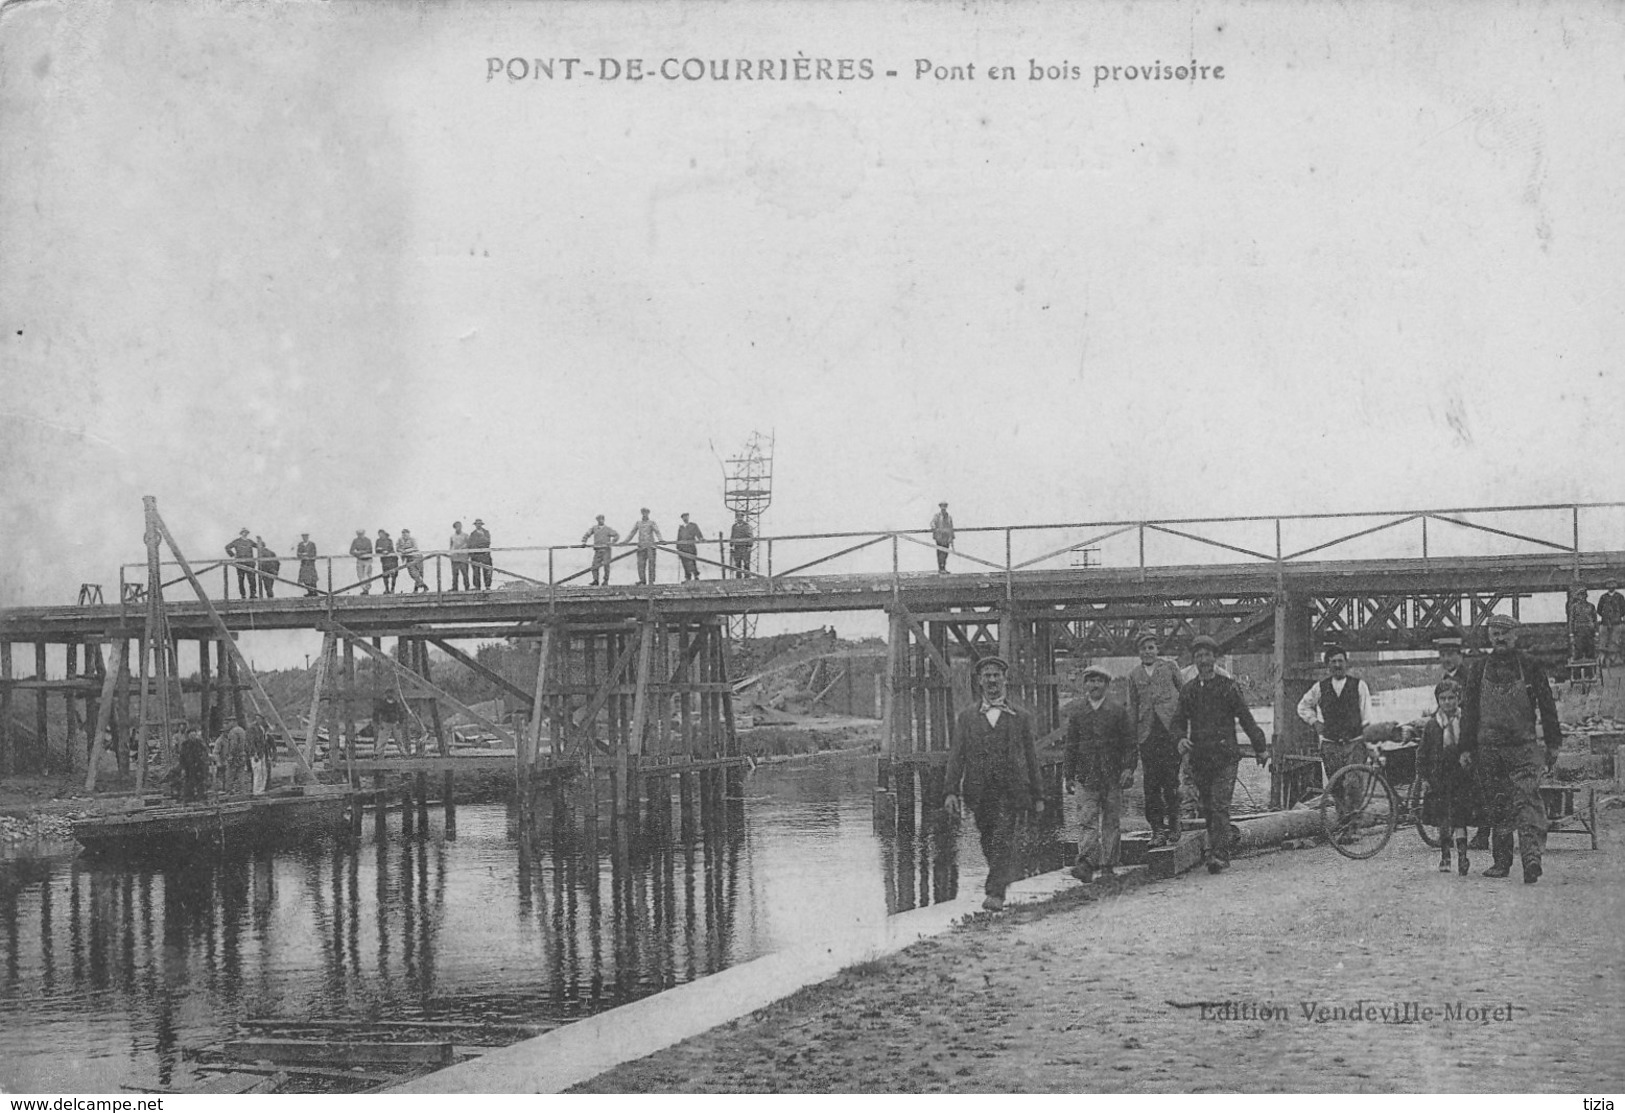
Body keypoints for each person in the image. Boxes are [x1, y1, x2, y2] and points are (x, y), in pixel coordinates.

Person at [1459, 614, 1562, 883]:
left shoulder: (1530, 666)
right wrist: (1466, 748)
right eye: (1495, 633)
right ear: (1489, 637)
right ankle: (1501, 863)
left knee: (1527, 800)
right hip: (1489, 749)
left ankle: (1531, 859)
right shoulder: (1478, 668)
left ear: (1516, 635)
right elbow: (1468, 711)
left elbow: (1548, 706)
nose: (1500, 638)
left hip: (1524, 748)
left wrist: (1553, 744)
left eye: (1505, 632)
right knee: (1499, 805)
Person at [944, 655, 1045, 912]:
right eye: (986, 676)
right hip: (979, 792)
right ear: (979, 681)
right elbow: (957, 755)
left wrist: (1038, 794)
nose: (991, 680)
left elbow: (1032, 757)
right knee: (988, 839)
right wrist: (951, 791)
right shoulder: (967, 717)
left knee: (1003, 836)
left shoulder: (1020, 717)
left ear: (1005, 680)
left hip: (1012, 791)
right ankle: (1000, 875)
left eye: (996, 675)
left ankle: (995, 891)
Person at [1171, 634, 1267, 874]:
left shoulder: (1229, 687)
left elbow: (1246, 718)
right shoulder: (1189, 690)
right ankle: (1216, 849)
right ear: (1194, 661)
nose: (1203, 660)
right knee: (1207, 806)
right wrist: (1181, 738)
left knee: (1220, 805)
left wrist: (1260, 748)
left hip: (1225, 757)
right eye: (1199, 656)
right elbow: (1177, 722)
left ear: (1215, 658)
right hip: (1201, 758)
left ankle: (1220, 855)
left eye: (1207, 655)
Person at [1064, 665, 1137, 882]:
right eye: (1090, 680)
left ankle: (1107, 865)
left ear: (1107, 685)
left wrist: (1128, 768)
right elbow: (1071, 745)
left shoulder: (1118, 711)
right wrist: (1068, 775)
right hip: (1086, 776)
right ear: (1084, 684)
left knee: (1111, 822)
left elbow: (1130, 744)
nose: (1094, 685)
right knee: (1087, 820)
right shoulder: (1077, 712)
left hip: (1112, 776)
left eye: (1099, 681)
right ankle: (1086, 863)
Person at [1296, 646, 1373, 827]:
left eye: (1340, 661)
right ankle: (1342, 824)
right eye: (1333, 662)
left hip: (1355, 742)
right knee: (1336, 786)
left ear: (1346, 663)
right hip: (1330, 745)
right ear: (1327, 665)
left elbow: (1367, 716)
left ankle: (1353, 826)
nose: (1338, 665)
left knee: (1353, 783)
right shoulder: (1319, 687)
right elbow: (1302, 706)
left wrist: (1369, 741)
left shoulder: (1359, 685)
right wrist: (1314, 722)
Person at [1125, 631, 1185, 846]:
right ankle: (1157, 829)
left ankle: (1175, 822)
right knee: (1151, 784)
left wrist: (1184, 729)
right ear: (1138, 652)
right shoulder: (1134, 675)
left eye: (1151, 647)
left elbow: (1184, 695)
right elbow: (1132, 707)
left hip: (1170, 732)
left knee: (1171, 781)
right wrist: (1132, 736)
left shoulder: (1169, 667)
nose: (1147, 652)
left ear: (1157, 650)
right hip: (1147, 735)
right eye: (1143, 648)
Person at [1417, 678, 1478, 875]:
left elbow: (1474, 746)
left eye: (1451, 698)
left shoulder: (1466, 722)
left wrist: (1469, 758)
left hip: (1461, 777)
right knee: (1443, 818)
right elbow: (1422, 753)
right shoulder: (1433, 725)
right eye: (1442, 698)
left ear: (1459, 699)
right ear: (1437, 701)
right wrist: (1424, 778)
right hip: (1439, 777)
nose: (1447, 702)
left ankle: (1462, 856)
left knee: (1460, 817)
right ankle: (1445, 855)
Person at [624, 508, 663, 584]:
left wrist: (661, 540)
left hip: (651, 547)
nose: (644, 514)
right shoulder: (638, 523)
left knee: (651, 565)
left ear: (648, 514)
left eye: (646, 513)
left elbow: (657, 531)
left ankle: (651, 581)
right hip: (641, 547)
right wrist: (626, 541)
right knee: (640, 565)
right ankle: (642, 580)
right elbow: (632, 532)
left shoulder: (652, 523)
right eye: (643, 513)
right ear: (641, 513)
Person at [582, 515, 619, 585]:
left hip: (606, 551)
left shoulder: (608, 529)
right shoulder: (594, 528)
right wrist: (584, 542)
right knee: (594, 566)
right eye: (599, 519)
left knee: (606, 566)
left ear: (604, 520)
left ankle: (605, 581)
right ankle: (595, 580)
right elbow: (587, 534)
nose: (600, 520)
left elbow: (617, 535)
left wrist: (612, 542)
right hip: (597, 550)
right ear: (597, 520)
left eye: (602, 519)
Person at [224, 528, 259, 599]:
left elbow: (259, 546)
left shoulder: (250, 542)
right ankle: (243, 595)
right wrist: (233, 555)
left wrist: (260, 542)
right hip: (240, 564)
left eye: (246, 532)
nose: (245, 533)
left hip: (250, 563)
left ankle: (253, 594)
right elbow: (227, 547)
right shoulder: (237, 541)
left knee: (252, 579)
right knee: (241, 580)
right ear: (241, 533)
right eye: (243, 532)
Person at [218, 719, 249, 796]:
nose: (228, 725)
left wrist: (231, 755)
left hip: (235, 756)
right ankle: (242, 792)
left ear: (233, 722)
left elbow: (233, 744)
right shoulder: (242, 730)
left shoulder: (233, 732)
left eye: (229, 723)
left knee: (229, 774)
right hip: (242, 755)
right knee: (241, 774)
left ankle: (228, 792)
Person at [1598, 580, 1625, 667]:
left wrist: (1616, 617)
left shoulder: (1620, 597)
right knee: (1603, 641)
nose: (1611, 586)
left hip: (1616, 623)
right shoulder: (1603, 597)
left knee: (1615, 640)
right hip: (1605, 623)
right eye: (1609, 584)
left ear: (1615, 585)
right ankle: (1603, 661)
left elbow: (1623, 610)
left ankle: (1614, 660)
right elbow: (1599, 609)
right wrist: (1606, 617)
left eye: (1613, 584)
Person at [179, 725, 209, 803]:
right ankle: (188, 798)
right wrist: (183, 768)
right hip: (188, 767)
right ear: (188, 736)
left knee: (200, 782)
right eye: (191, 735)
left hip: (199, 766)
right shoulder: (185, 745)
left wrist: (204, 762)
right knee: (189, 782)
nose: (193, 737)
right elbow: (181, 757)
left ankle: (201, 797)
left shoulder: (200, 743)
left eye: (194, 735)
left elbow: (205, 753)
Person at [1568, 588, 1599, 661]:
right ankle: (1578, 669)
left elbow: (1595, 620)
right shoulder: (1574, 607)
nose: (1582, 597)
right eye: (1580, 595)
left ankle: (1590, 670)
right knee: (1578, 652)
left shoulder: (1591, 606)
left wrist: (1596, 632)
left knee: (1590, 652)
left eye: (1584, 595)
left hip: (1589, 631)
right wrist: (1571, 634)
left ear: (1586, 596)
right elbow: (1571, 620)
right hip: (1578, 631)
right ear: (1578, 597)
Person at [246, 715, 270, 796]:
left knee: (264, 772)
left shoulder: (262, 728)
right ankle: (256, 791)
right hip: (256, 754)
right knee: (257, 772)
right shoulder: (252, 729)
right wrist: (254, 753)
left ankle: (261, 789)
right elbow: (251, 742)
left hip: (262, 753)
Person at [676, 513, 704, 580]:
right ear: (682, 519)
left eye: (686, 517)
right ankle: (687, 577)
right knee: (684, 562)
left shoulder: (693, 525)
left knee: (692, 561)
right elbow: (678, 538)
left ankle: (696, 575)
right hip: (682, 548)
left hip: (691, 547)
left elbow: (698, 533)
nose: (685, 518)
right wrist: (678, 548)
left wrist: (701, 538)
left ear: (688, 517)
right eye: (683, 517)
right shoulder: (681, 527)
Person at [930, 501, 955, 573]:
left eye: (945, 506)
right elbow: (932, 523)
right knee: (940, 553)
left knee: (946, 553)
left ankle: (944, 568)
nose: (943, 508)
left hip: (946, 537)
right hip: (939, 537)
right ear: (940, 507)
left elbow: (951, 527)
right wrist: (936, 529)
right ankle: (941, 569)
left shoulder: (949, 517)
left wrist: (951, 538)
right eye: (942, 506)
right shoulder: (937, 516)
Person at [468, 519, 493, 589]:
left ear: (482, 524)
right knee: (476, 572)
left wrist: (479, 543)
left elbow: (487, 542)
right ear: (475, 525)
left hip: (485, 554)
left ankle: (487, 586)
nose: (478, 525)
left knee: (487, 570)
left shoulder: (486, 532)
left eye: (479, 524)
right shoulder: (472, 534)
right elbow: (471, 544)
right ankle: (477, 586)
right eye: (477, 524)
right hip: (476, 555)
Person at [349, 529, 374, 594]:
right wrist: (357, 553)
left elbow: (370, 550)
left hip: (368, 560)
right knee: (360, 575)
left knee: (367, 575)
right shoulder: (355, 541)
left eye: (361, 534)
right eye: (359, 534)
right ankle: (364, 589)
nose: (360, 535)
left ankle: (367, 589)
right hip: (360, 560)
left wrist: (363, 552)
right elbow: (351, 551)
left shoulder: (368, 540)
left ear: (364, 533)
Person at [729, 512, 754, 578]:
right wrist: (731, 545)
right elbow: (732, 536)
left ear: (743, 518)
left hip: (745, 548)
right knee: (737, 564)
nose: (739, 518)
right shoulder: (734, 526)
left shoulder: (747, 526)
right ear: (736, 518)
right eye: (738, 517)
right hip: (737, 547)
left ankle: (747, 579)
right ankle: (738, 579)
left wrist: (749, 546)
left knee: (746, 564)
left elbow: (750, 536)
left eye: (741, 517)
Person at [448, 521, 471, 591]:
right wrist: (451, 554)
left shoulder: (465, 535)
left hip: (463, 557)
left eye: (459, 526)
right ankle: (455, 587)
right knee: (455, 574)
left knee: (465, 573)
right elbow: (451, 546)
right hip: (455, 558)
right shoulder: (452, 536)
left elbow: (468, 544)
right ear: (454, 528)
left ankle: (467, 588)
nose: (458, 528)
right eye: (456, 526)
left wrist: (461, 549)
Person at [376, 529, 398, 593]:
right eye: (379, 534)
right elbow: (376, 550)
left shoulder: (389, 540)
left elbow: (391, 548)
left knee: (394, 575)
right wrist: (381, 551)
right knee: (385, 575)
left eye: (382, 534)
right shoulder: (378, 541)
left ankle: (392, 589)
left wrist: (387, 551)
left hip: (392, 560)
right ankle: (387, 589)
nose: (381, 536)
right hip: (384, 561)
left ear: (384, 534)